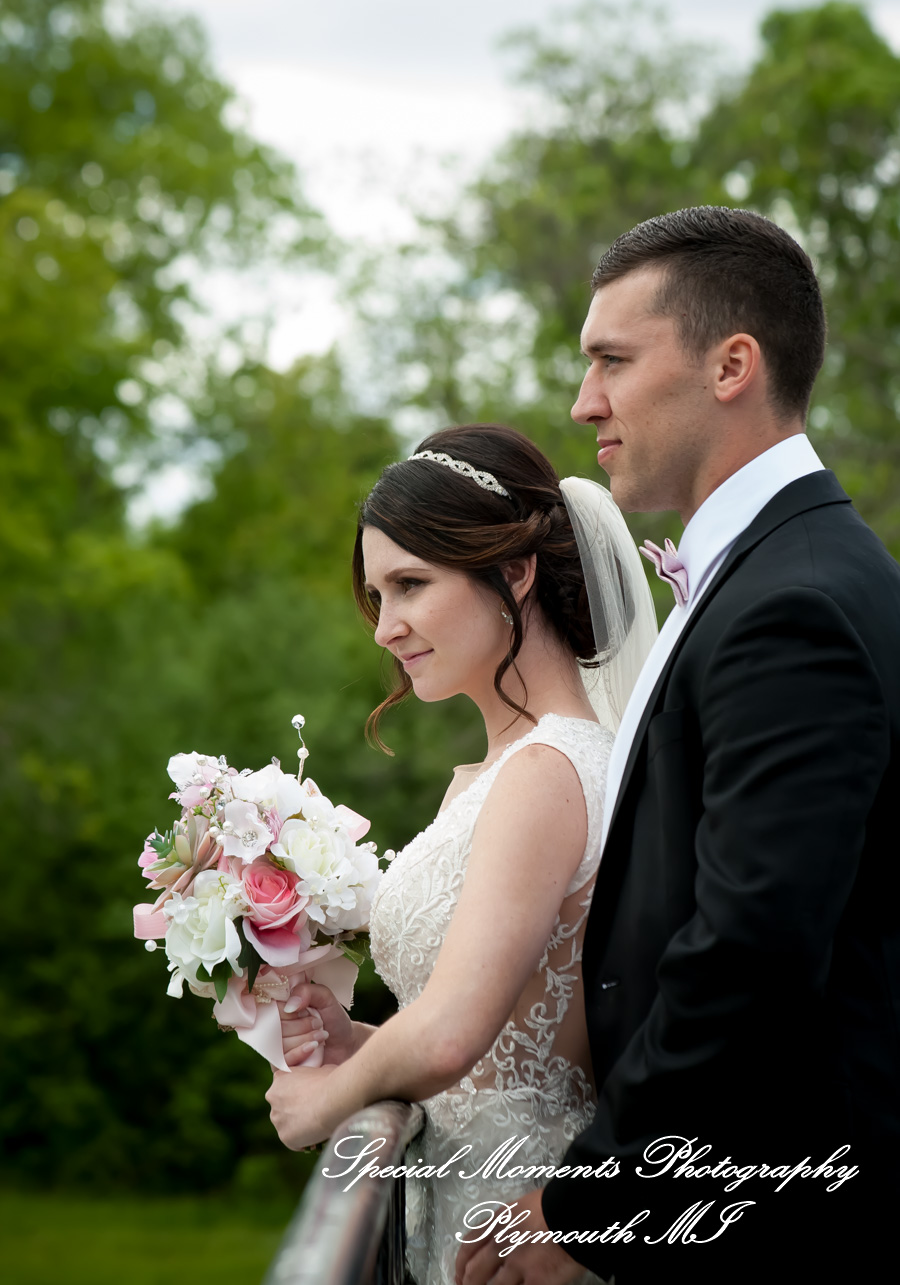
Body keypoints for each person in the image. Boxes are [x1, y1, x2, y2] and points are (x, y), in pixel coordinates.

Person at [455, 206, 900, 1285]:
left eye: (612, 360)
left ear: (731, 364)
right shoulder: (767, 574)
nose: (583, 403)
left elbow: (750, 948)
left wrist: (598, 1203)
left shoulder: (792, 604)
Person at [265, 422, 657, 1285]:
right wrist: (355, 1037)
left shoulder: (547, 771)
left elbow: (451, 1034)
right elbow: (494, 1044)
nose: (386, 628)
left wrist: (322, 1100)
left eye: (411, 584)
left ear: (513, 572)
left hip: (515, 1231)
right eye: (377, 596)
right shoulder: (492, 777)